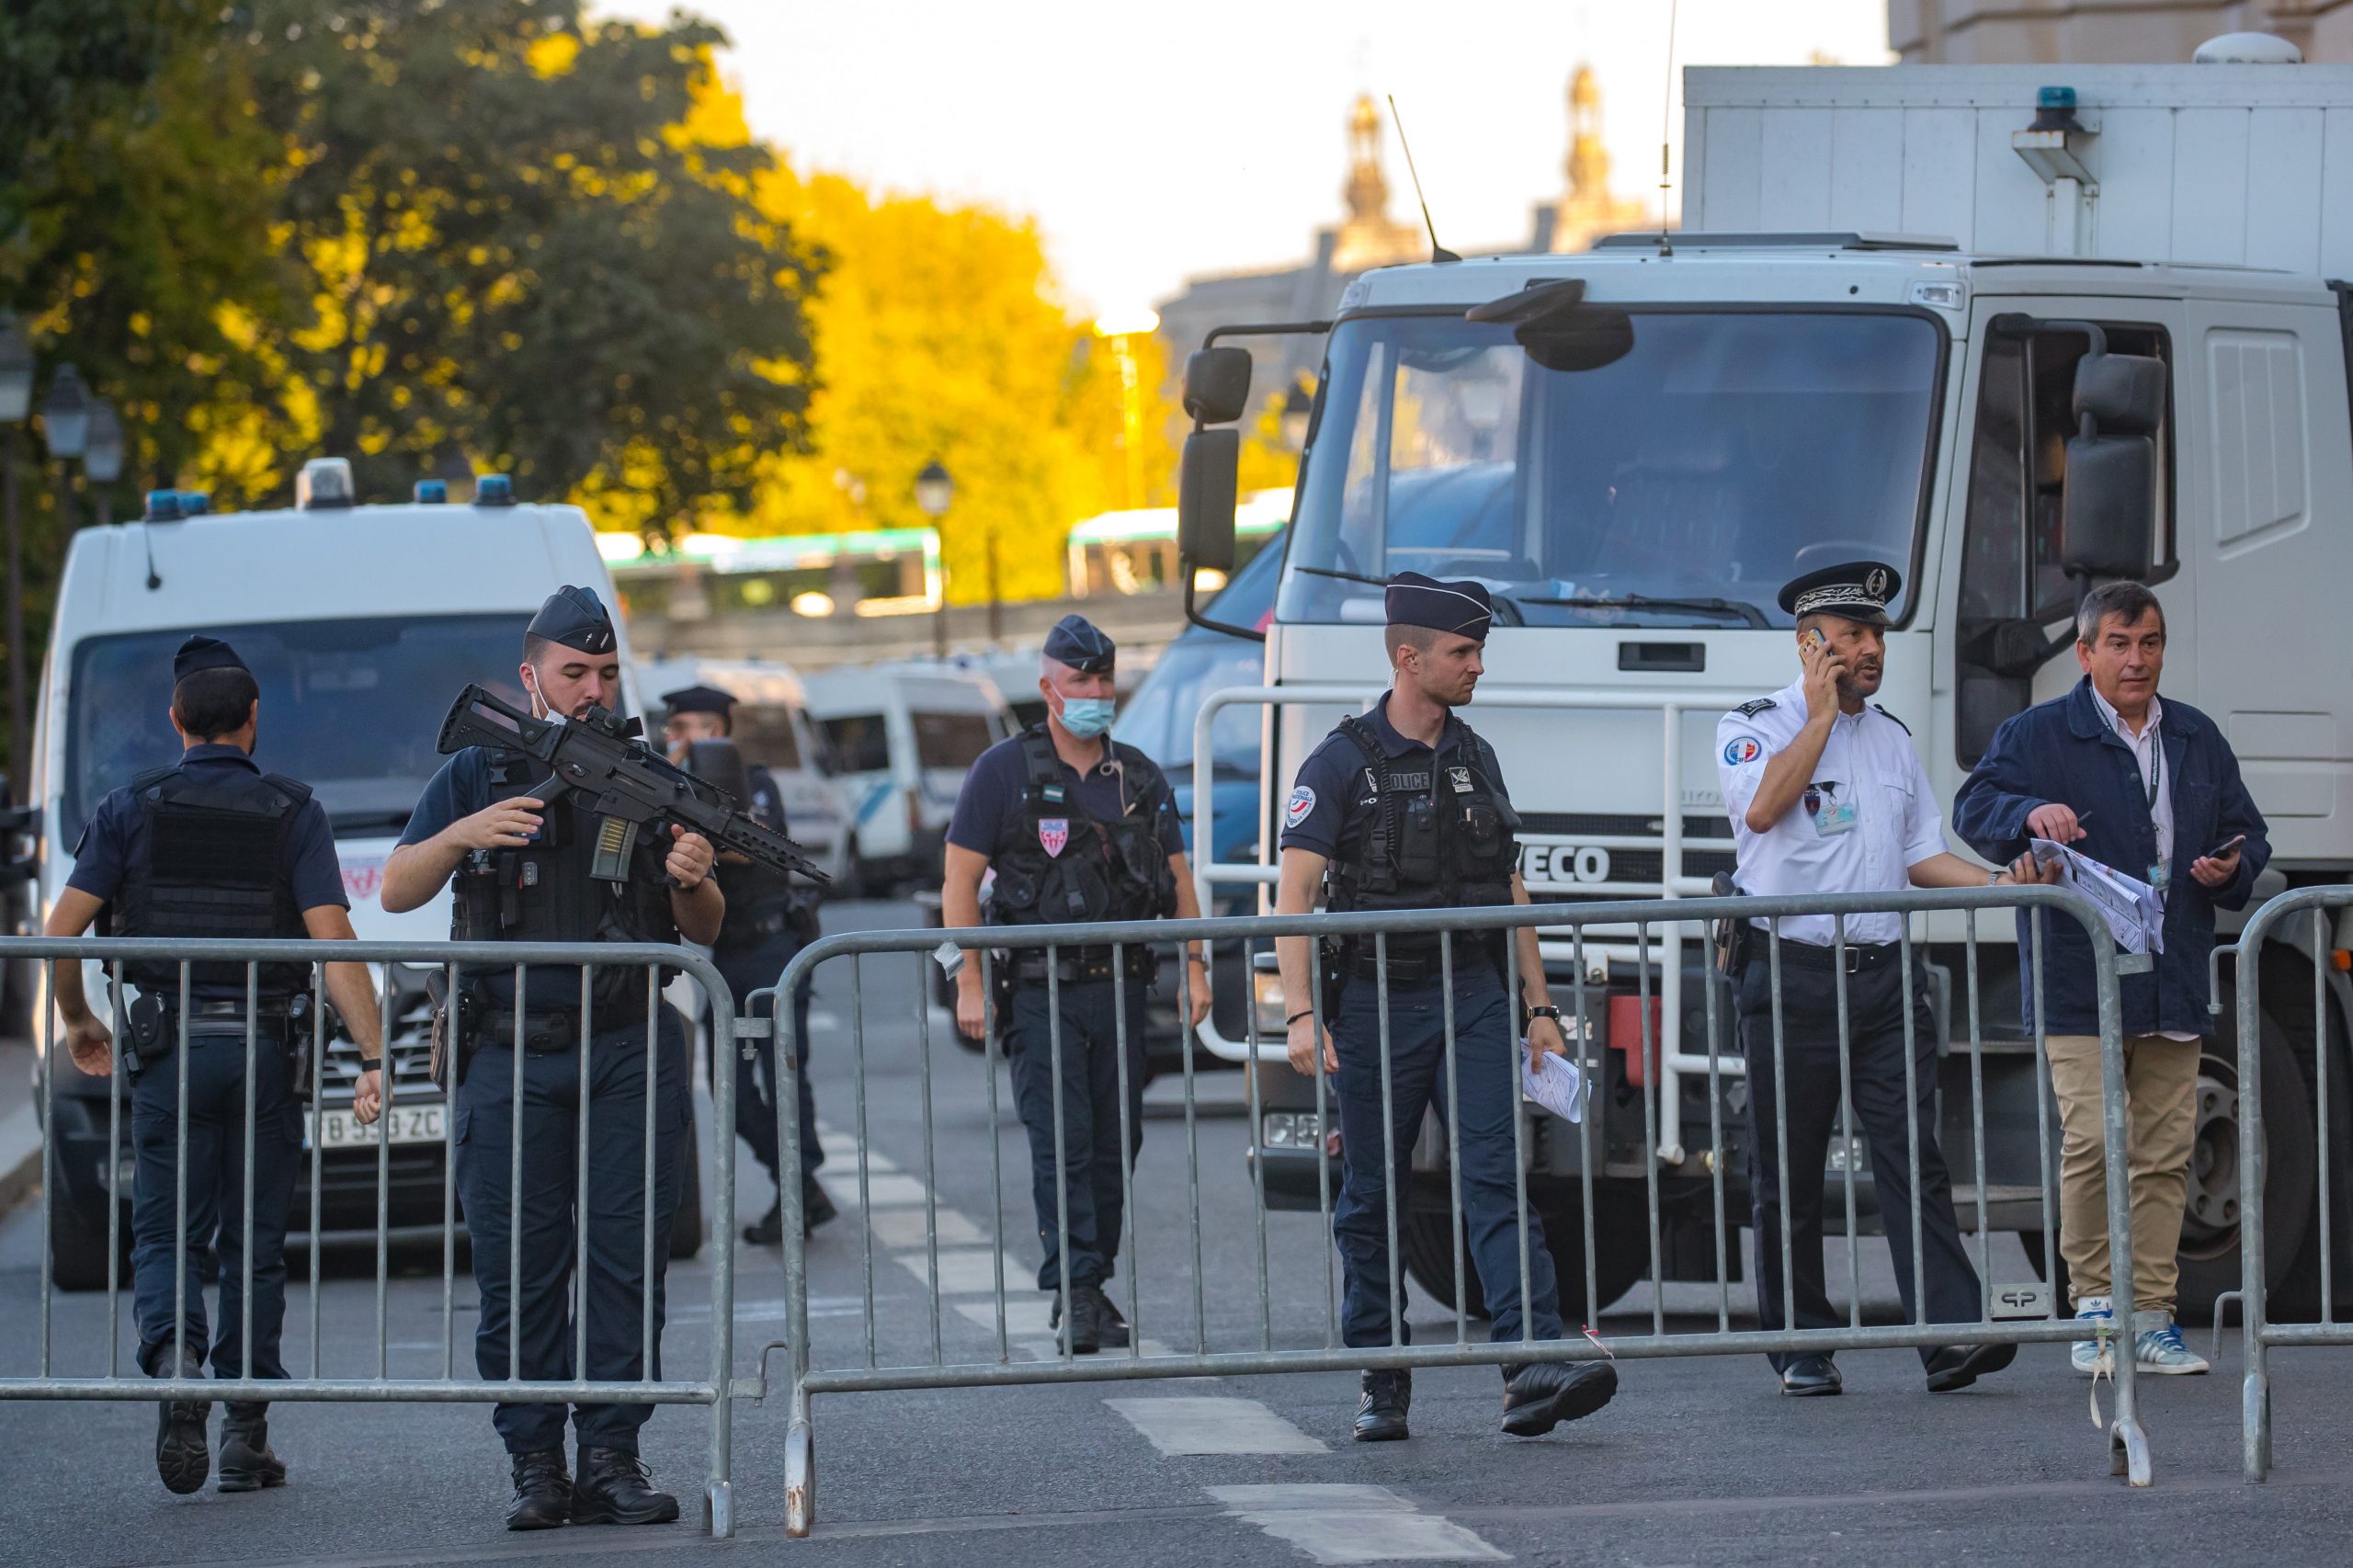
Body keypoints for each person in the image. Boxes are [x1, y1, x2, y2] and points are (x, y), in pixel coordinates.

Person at [381, 587, 719, 1531]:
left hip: (624, 1045)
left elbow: (705, 928)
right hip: (508, 1051)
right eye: (575, 673)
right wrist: (459, 836)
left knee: (624, 1263)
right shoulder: (477, 770)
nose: (592, 690)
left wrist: (694, 881)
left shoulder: (646, 776)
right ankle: (536, 1462)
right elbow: (399, 889)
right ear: (530, 676)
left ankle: (612, 1454)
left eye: (605, 673)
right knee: (519, 1269)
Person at [1275, 573, 1620, 1444]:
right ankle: (1383, 1379)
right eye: (1462, 652)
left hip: (1470, 992)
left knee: (1495, 1176)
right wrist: (1301, 1014)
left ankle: (1532, 1363)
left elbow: (1510, 891)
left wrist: (1540, 1006)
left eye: (1477, 651)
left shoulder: (1474, 755)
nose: (1476, 667)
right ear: (1408, 657)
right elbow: (1294, 896)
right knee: (1372, 1197)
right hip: (1376, 1003)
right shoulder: (1340, 762)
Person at [43, 634, 384, 1495]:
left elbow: (58, 930)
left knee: (167, 1233)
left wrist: (81, 1020)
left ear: (174, 720)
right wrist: (374, 1055)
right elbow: (334, 942)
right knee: (256, 1246)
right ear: (255, 721)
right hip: (264, 1049)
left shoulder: (129, 808)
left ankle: (180, 1359)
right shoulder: (292, 810)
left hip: (169, 1053)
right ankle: (244, 1433)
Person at [1716, 561, 2053, 1397]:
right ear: (1810, 645)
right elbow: (1761, 810)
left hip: (1882, 977)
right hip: (1790, 974)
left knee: (1914, 1156)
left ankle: (1948, 1333)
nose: (1873, 649)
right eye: (1854, 636)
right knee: (1789, 1171)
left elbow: (1919, 855)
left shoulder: (1895, 738)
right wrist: (1822, 719)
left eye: (1878, 635)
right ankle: (1800, 1343)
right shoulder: (1754, 724)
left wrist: (1996, 885)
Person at [1953, 580, 2268, 1378]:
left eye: (2151, 643)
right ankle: (2096, 1311)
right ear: (2086, 652)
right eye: (2121, 645)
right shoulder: (2038, 732)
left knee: (2165, 1150)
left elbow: (2249, 835)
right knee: (2096, 1141)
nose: (2138, 660)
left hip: (2173, 975)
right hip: (2077, 976)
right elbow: (1974, 806)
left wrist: (2231, 866)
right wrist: (2028, 813)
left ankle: (2153, 1316)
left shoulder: (2195, 737)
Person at [943, 614, 1209, 1354]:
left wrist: (1195, 967)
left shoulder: (1138, 776)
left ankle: (1091, 1276)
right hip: (1039, 991)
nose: (1093, 693)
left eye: (1101, 679)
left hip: (1120, 988)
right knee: (1061, 1139)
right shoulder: (1003, 770)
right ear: (1048, 688)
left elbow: (1179, 881)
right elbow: (959, 881)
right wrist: (969, 977)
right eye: (1078, 681)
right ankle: (1077, 1287)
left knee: (1113, 1140)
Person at [659, 683, 832, 1245]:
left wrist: (699, 830)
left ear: (719, 732)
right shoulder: (667, 787)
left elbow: (758, 842)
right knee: (725, 1084)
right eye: (674, 728)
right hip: (726, 953)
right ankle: (800, 1184)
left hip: (772, 946)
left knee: (784, 1073)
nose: (679, 739)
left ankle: (799, 1189)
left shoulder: (751, 782)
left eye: (691, 728)